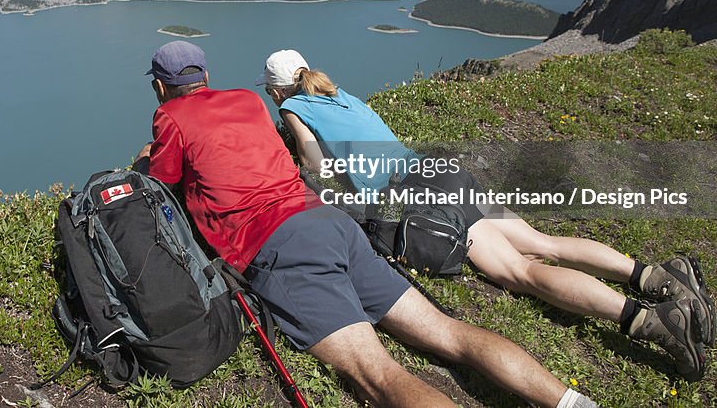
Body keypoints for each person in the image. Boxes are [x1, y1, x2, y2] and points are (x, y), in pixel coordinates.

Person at [134, 40, 599, 408]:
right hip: (332, 222)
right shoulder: (248, 101)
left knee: (379, 376)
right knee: (447, 333)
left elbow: (161, 185)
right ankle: (572, 402)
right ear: (208, 77)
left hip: (278, 245)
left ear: (159, 87)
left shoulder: (169, 115)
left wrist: (148, 156)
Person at [257, 48, 712, 383]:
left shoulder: (294, 106)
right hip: (438, 169)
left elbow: (316, 165)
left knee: (521, 271)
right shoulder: (341, 94)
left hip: (415, 189)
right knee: (540, 242)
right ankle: (657, 278)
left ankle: (654, 321)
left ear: (277, 90)